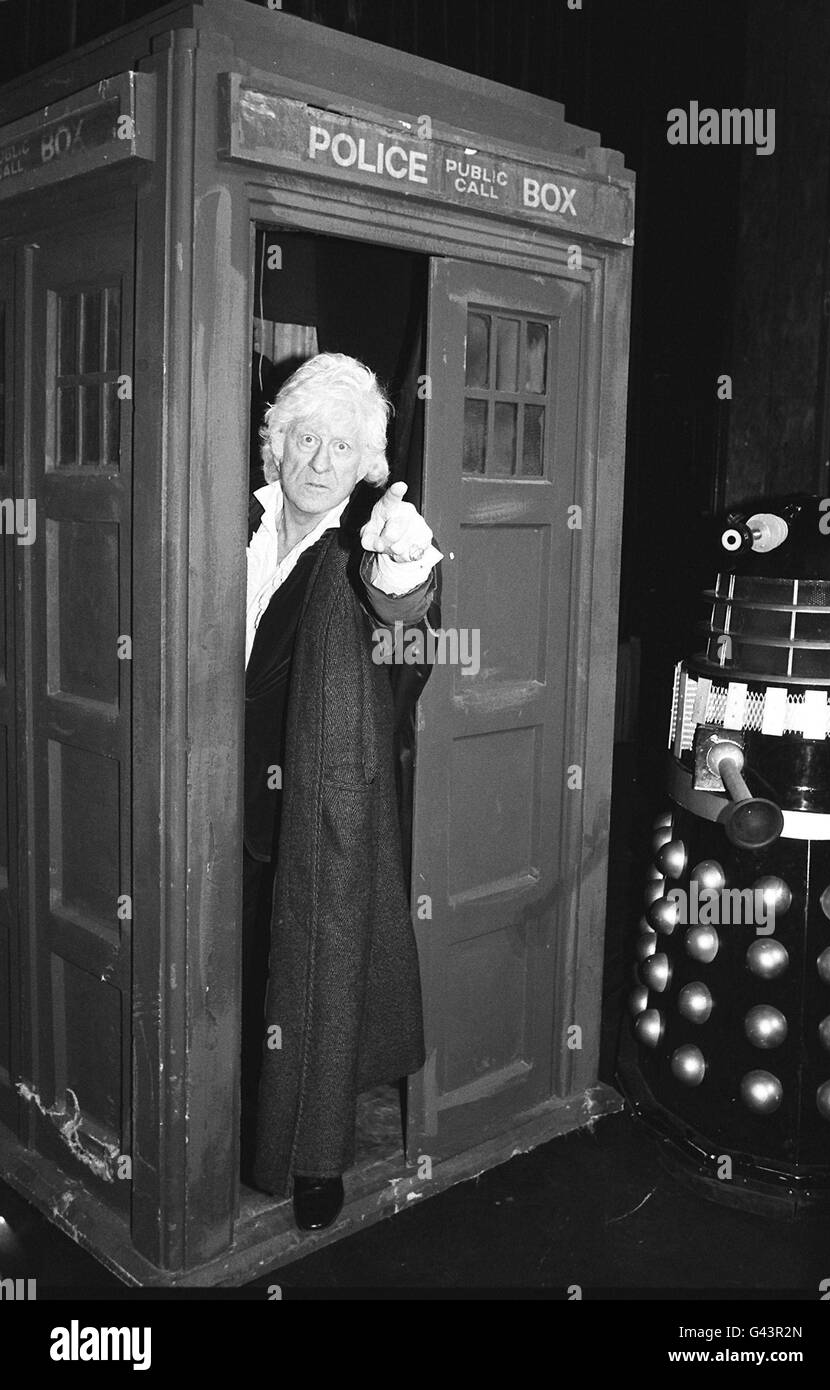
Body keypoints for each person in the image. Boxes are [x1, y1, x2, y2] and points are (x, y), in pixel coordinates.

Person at [242, 352, 440, 1231]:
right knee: (245, 983)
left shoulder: (360, 546)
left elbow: (406, 632)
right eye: (306, 439)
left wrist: (405, 572)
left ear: (368, 463)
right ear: (276, 443)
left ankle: (314, 1161)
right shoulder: (233, 527)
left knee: (318, 984)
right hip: (217, 802)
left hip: (319, 814)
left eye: (343, 446)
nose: (321, 462)